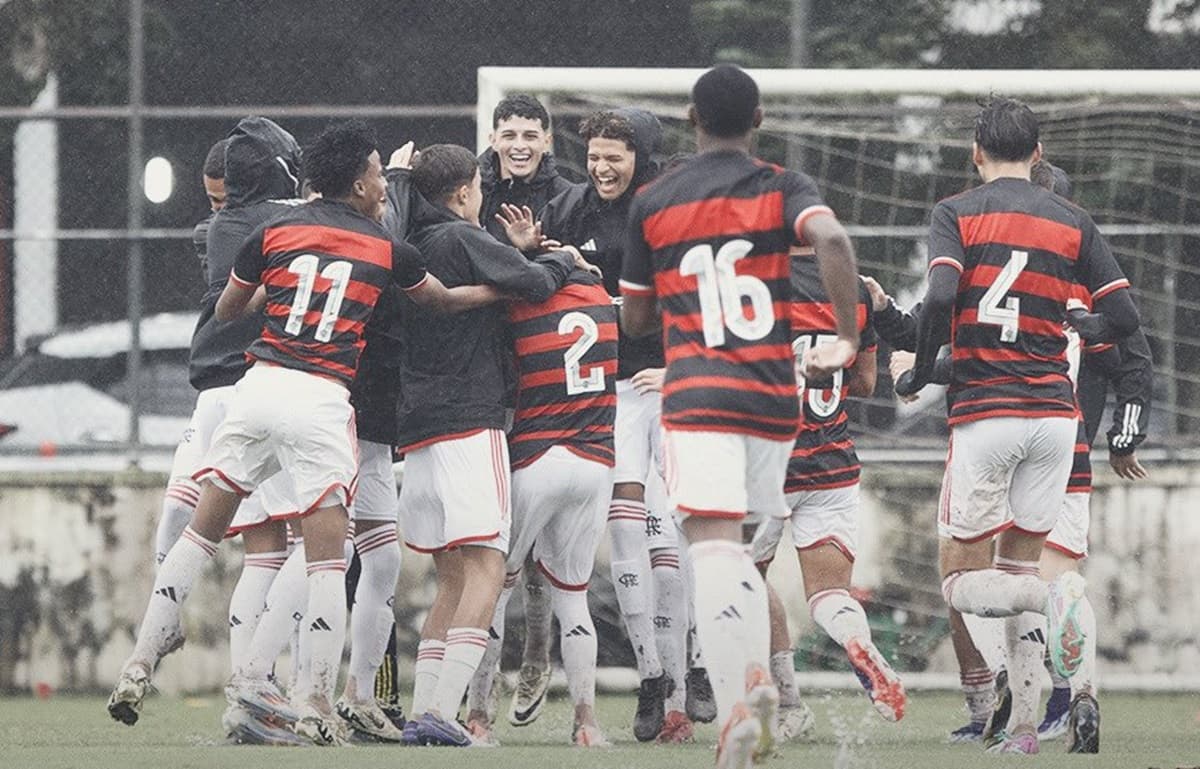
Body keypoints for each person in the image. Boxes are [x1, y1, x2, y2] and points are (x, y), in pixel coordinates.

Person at [108, 120, 497, 745]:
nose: (381, 184)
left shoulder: (273, 230)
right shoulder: (386, 246)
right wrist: (496, 289)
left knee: (201, 535)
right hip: (321, 402)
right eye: (376, 173)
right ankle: (315, 703)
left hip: (257, 388)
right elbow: (441, 301)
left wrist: (277, 294)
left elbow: (230, 309)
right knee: (325, 562)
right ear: (359, 182)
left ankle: (137, 665)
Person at [621, 64, 861, 769]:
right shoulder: (784, 186)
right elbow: (836, 242)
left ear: (692, 118)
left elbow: (635, 313)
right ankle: (757, 683)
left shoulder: (655, 198)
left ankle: (739, 704)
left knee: (715, 550)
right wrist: (844, 338)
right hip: (771, 398)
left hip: (699, 393)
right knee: (746, 557)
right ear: (758, 119)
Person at [892, 97, 1139, 755]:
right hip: (1057, 421)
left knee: (961, 580)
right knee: (1018, 566)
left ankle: (1050, 605)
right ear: (1037, 153)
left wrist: (919, 370)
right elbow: (1127, 318)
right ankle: (1025, 728)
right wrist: (1088, 326)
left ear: (976, 151)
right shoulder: (1071, 218)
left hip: (988, 413)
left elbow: (941, 295)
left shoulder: (957, 211)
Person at [395, 143, 592, 747]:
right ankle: (446, 711)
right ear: (462, 193)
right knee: (487, 565)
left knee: (451, 579)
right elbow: (532, 283)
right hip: (469, 420)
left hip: (419, 428)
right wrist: (565, 264)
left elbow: (502, 268)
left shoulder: (419, 244)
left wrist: (518, 254)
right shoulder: (459, 236)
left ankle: (426, 710)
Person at [532, 106, 710, 742]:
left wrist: (679, 365)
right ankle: (652, 675)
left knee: (680, 540)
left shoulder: (671, 209)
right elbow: (540, 285)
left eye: (616, 156)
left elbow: (704, 295)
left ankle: (692, 669)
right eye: (596, 156)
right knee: (628, 533)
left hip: (670, 389)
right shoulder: (569, 210)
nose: (602, 167)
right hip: (606, 396)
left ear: (644, 157)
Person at [461, 236, 619, 747]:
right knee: (573, 600)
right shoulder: (600, 299)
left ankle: (478, 717)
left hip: (537, 455)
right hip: (596, 461)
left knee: (494, 584)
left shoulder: (523, 301)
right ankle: (587, 723)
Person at [750, 245, 908, 728]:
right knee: (828, 596)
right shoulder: (855, 289)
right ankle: (859, 645)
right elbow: (864, 382)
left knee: (737, 583)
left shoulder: (751, 281)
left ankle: (787, 704)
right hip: (832, 463)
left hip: (766, 464)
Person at [480, 94, 579, 246]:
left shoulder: (568, 199)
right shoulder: (471, 190)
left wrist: (534, 250)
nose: (519, 145)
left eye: (530, 136)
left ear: (546, 142)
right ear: (493, 140)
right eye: (509, 136)